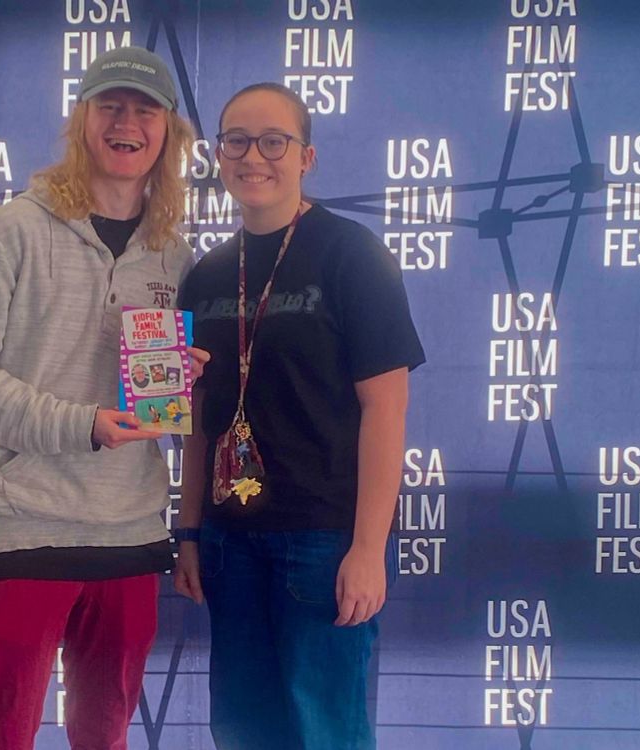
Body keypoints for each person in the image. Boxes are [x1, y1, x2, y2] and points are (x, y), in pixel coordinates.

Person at [0, 46, 207, 750]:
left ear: (168, 133)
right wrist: (78, 425)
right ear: (82, 120)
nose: (127, 123)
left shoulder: (174, 252)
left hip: (129, 530)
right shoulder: (12, 230)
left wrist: (183, 381)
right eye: (110, 106)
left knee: (105, 737)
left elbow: (166, 407)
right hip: (22, 526)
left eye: (145, 110)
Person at [174, 82, 425, 750]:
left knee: (325, 732)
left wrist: (369, 549)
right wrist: (190, 532)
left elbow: (387, 410)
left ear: (306, 156)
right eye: (236, 140)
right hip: (230, 541)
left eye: (273, 141)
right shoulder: (204, 276)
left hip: (323, 541)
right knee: (242, 728)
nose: (254, 156)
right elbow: (198, 421)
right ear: (219, 157)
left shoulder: (352, 255)